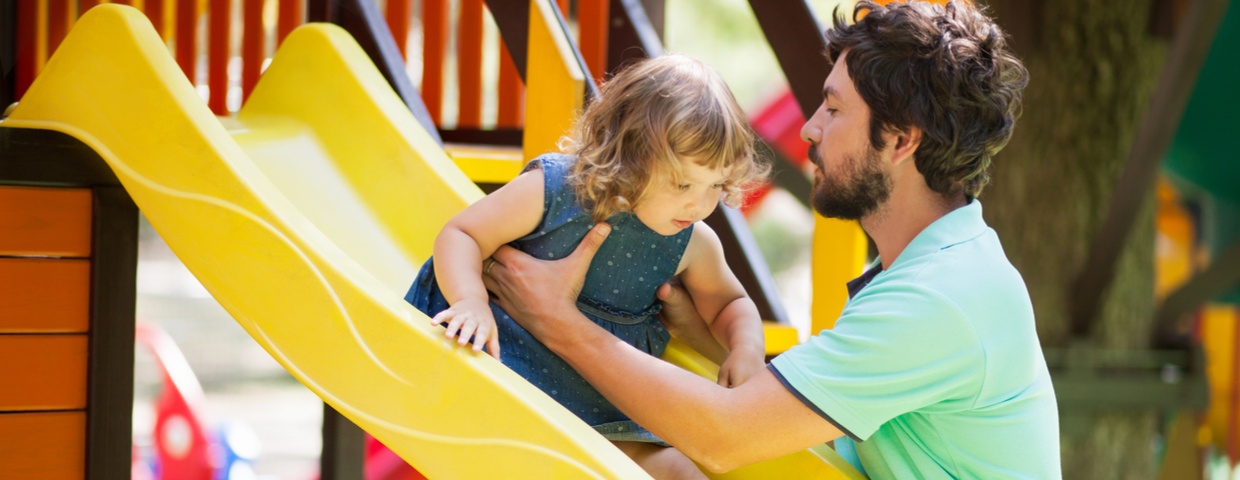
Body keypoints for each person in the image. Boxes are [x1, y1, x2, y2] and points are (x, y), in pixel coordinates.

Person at [480, 1, 1063, 478]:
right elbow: (804, 417)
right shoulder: (934, 269)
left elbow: (726, 435)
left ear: (902, 141)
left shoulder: (941, 298)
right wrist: (713, 344)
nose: (809, 128)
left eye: (833, 109)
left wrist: (557, 320)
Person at [404, 54, 770, 479]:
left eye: (716, 186)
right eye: (684, 184)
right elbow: (463, 234)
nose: (700, 204)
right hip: (507, 372)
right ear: (630, 156)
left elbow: (729, 303)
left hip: (606, 404)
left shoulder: (692, 241)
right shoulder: (557, 191)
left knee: (682, 473)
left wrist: (747, 350)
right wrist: (469, 300)